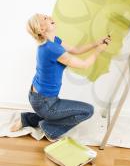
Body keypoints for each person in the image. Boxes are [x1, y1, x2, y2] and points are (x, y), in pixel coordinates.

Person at [10, 13, 111, 141]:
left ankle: (27, 119)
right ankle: (49, 129)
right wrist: (100, 50)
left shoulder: (53, 41)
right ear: (41, 29)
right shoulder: (51, 49)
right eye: (45, 18)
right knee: (88, 111)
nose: (49, 17)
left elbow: (76, 50)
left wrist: (97, 43)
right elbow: (84, 64)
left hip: (38, 97)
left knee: (62, 112)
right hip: (45, 102)